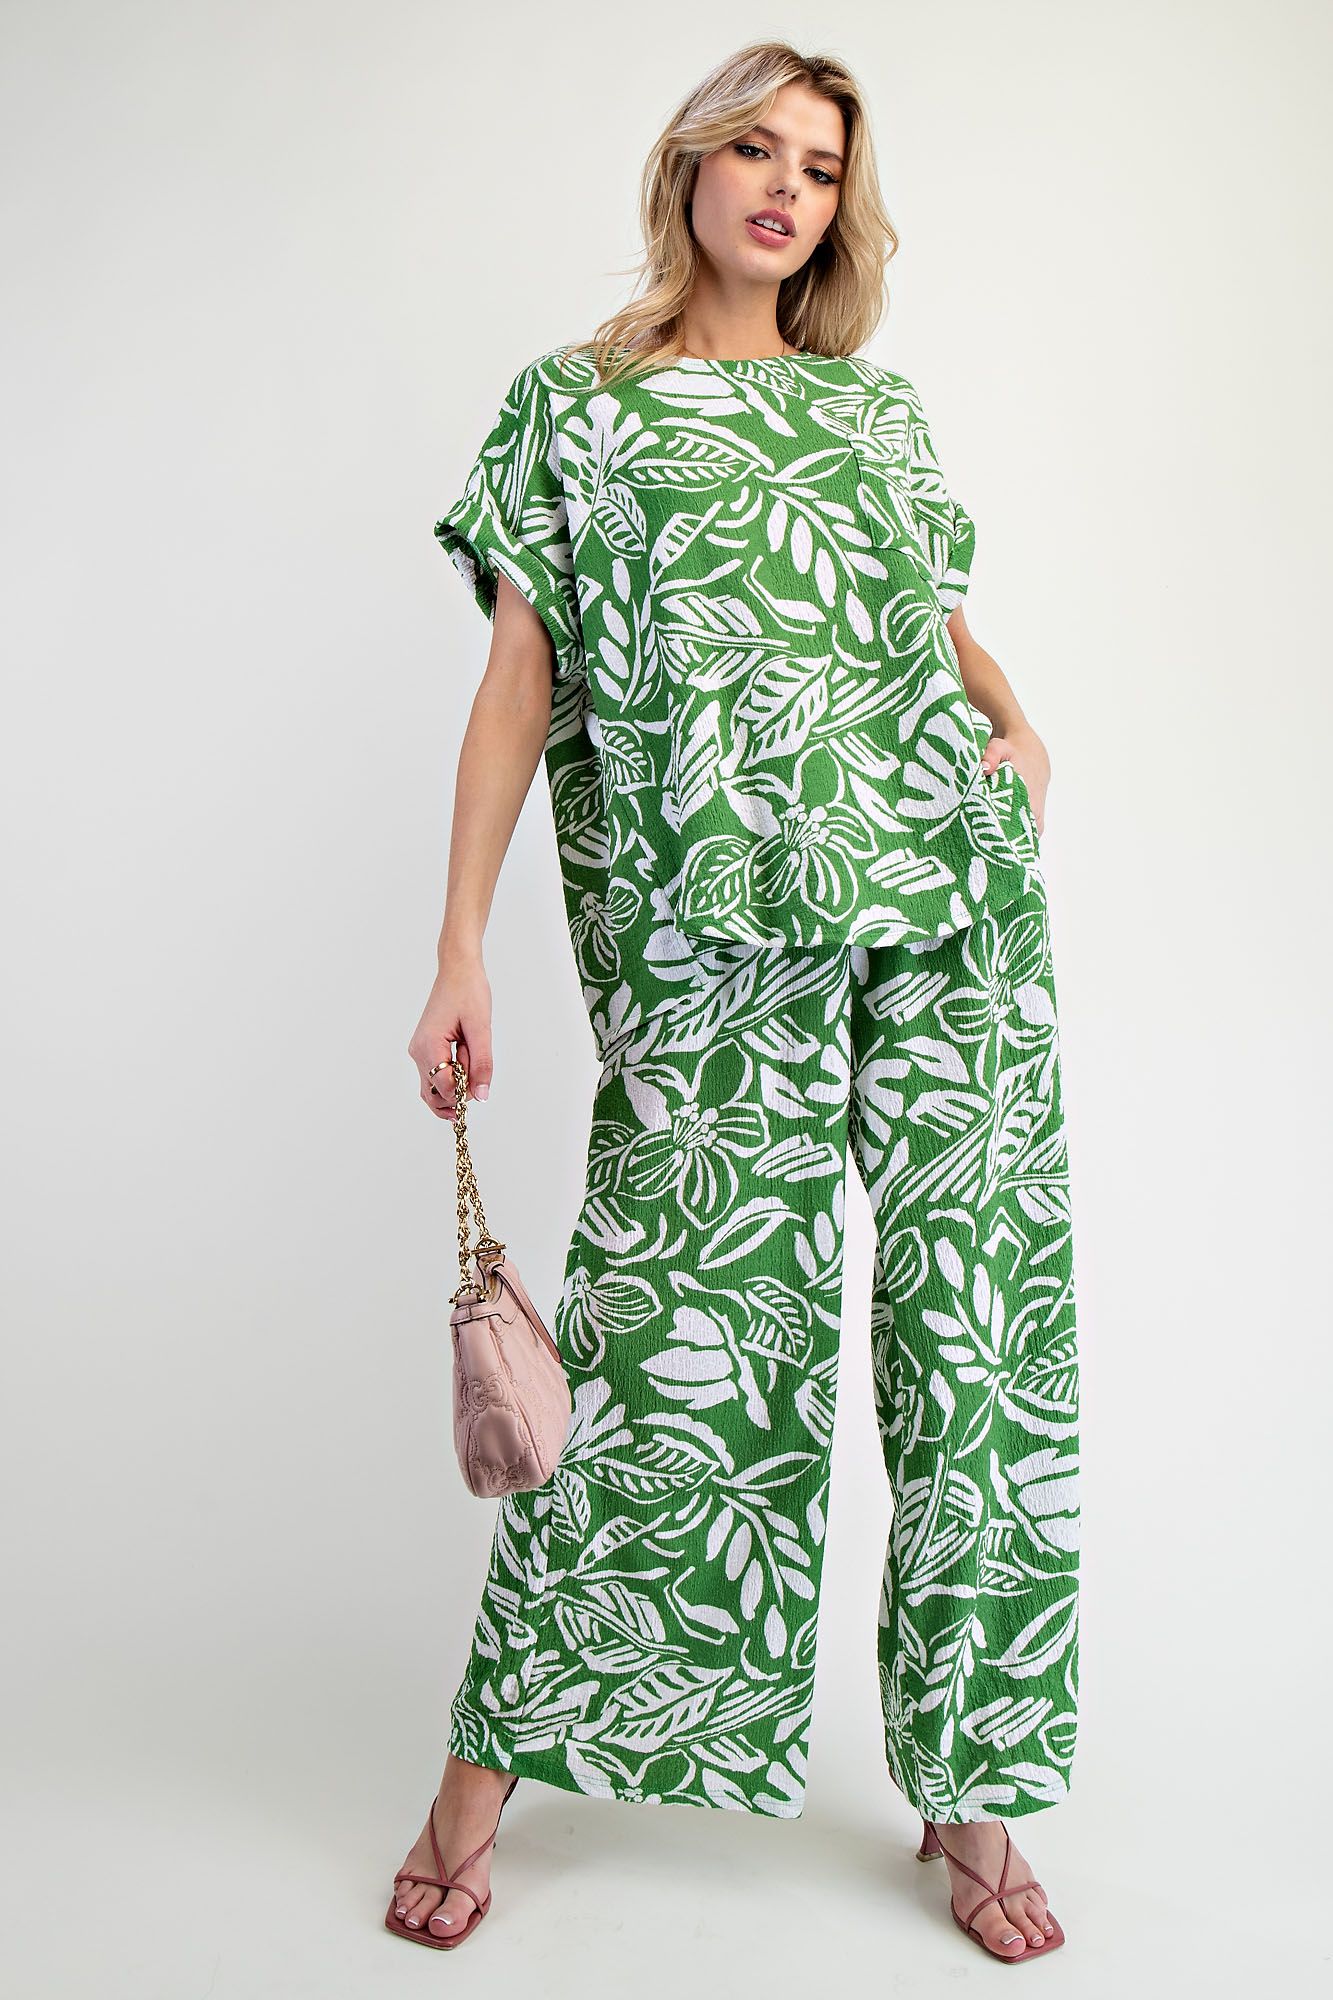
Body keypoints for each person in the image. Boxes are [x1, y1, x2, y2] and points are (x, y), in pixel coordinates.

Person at [390, 40, 1080, 1966]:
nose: (787, 188)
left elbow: (922, 623)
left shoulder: (874, 412)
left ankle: (974, 1791)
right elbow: (519, 682)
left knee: (978, 1342)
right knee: (670, 1339)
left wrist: (1019, 733)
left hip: (944, 910)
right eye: (757, 150)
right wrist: (459, 944)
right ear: (688, 168)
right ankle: (478, 1778)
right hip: (712, 933)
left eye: (821, 166)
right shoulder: (577, 407)